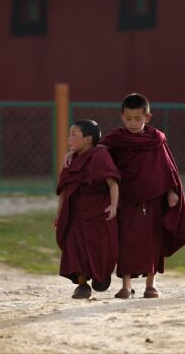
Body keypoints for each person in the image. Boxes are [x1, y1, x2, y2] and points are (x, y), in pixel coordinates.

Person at [65, 93, 185, 299]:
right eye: (129, 119)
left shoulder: (156, 139)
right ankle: (126, 285)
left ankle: (151, 284)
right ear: (122, 117)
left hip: (153, 198)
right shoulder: (116, 139)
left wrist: (171, 191)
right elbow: (96, 153)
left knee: (153, 240)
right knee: (126, 241)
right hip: (127, 198)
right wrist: (74, 153)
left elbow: (166, 168)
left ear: (147, 117)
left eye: (138, 119)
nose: (133, 123)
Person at [54, 119, 120, 299]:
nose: (69, 138)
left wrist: (113, 205)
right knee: (75, 248)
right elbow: (65, 190)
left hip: (98, 211)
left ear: (88, 139)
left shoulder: (100, 156)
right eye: (69, 134)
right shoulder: (70, 160)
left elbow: (112, 182)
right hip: (75, 213)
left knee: (99, 246)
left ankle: (101, 275)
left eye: (74, 134)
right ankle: (82, 285)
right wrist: (59, 215)